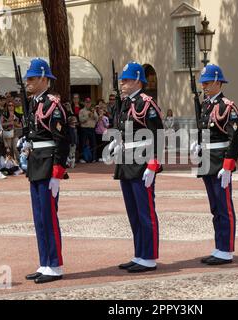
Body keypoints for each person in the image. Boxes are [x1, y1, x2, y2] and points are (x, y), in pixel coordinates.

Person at [110, 62, 163, 273]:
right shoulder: (124, 103)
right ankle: (139, 253)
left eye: (126, 79)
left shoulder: (147, 103)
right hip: (126, 159)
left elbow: (158, 134)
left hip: (142, 161)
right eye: (122, 80)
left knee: (145, 211)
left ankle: (149, 256)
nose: (122, 83)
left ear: (138, 80)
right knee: (133, 211)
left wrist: (153, 164)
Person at [190, 65, 238, 266]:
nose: (203, 86)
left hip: (221, 160)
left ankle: (226, 249)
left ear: (218, 82)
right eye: (202, 82)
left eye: (207, 82)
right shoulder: (205, 105)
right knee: (215, 207)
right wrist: (198, 144)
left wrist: (228, 165)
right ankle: (219, 246)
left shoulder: (226, 106)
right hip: (207, 160)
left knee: (224, 206)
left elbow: (236, 137)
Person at [23, 58, 70, 284]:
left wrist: (58, 172)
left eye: (31, 78)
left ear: (43, 78)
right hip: (36, 163)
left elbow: (62, 140)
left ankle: (55, 265)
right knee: (39, 217)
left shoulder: (52, 103)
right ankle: (45, 262)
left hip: (48, 164)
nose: (27, 82)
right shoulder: (34, 103)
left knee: (49, 218)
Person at [78, 97, 98, 163]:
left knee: (93, 143)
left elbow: (97, 119)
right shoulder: (81, 111)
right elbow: (81, 120)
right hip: (84, 128)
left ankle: (93, 158)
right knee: (83, 143)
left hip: (92, 128)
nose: (88, 104)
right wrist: (88, 116)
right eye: (86, 102)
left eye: (89, 102)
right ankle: (83, 158)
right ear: (84, 103)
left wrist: (93, 114)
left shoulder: (93, 110)